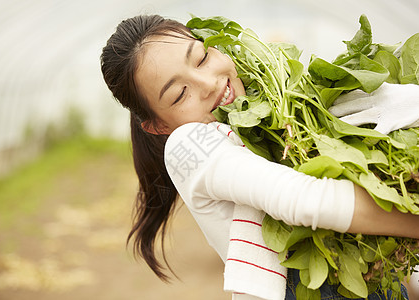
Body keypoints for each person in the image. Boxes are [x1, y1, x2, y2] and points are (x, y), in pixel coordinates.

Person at [100, 15, 419, 299]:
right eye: (180, 94)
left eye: (201, 59)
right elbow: (306, 199)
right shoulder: (187, 146)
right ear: (158, 125)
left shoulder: (270, 106)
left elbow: (374, 107)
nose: (209, 83)